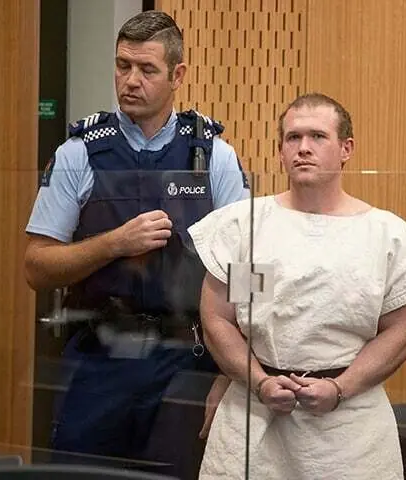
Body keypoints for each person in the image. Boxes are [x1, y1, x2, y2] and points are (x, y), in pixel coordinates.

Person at [23, 10, 249, 477]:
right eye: (123, 65)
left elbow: (247, 274)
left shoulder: (213, 156)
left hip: (187, 359)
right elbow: (37, 266)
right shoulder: (79, 152)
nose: (130, 80)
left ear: (177, 75)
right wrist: (115, 243)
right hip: (101, 357)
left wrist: (231, 374)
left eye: (147, 70)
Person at [186, 93, 406, 479]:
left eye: (318, 137)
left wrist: (339, 388)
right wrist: (259, 383)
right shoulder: (246, 227)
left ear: (346, 148)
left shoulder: (386, 235)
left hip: (349, 429)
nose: (303, 148)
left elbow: (399, 334)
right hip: (253, 416)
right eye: (293, 138)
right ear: (279, 151)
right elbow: (220, 319)